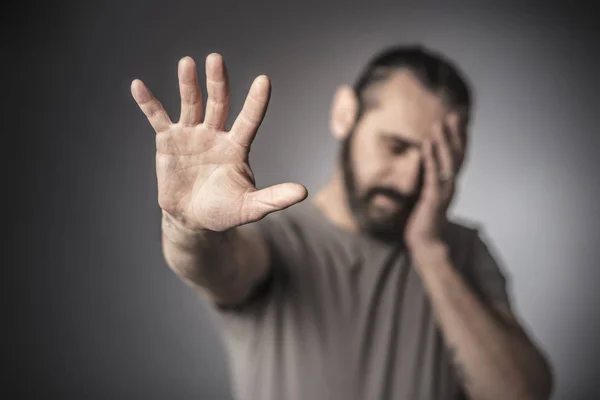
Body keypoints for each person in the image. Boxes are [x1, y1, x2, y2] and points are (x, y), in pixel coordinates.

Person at [131, 45, 553, 400]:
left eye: (436, 161)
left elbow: (521, 393)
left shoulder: (462, 251)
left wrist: (429, 250)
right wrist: (188, 224)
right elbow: (214, 268)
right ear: (344, 115)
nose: (409, 180)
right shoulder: (275, 236)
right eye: (396, 147)